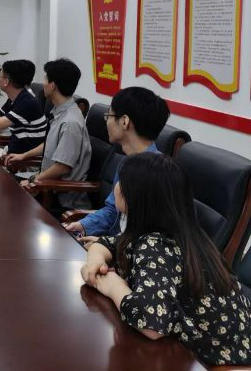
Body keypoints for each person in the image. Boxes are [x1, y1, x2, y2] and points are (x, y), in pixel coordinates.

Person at [81, 153, 251, 367]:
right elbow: (109, 243)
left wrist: (113, 286)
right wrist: (95, 260)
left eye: (121, 181)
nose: (116, 186)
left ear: (135, 197)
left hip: (223, 363)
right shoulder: (183, 234)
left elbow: (152, 325)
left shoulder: (156, 246)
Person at [63, 86, 169, 238]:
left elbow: (148, 236)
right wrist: (83, 226)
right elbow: (113, 211)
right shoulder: (127, 162)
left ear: (125, 121)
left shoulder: (158, 174)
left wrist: (107, 245)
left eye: (109, 116)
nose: (107, 122)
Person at [14, 58, 91, 209]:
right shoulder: (61, 113)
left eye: (45, 79)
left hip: (61, 200)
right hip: (47, 186)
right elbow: (50, 144)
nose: (43, 83)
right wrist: (24, 156)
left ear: (52, 85)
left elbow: (62, 167)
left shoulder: (70, 122)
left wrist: (33, 180)